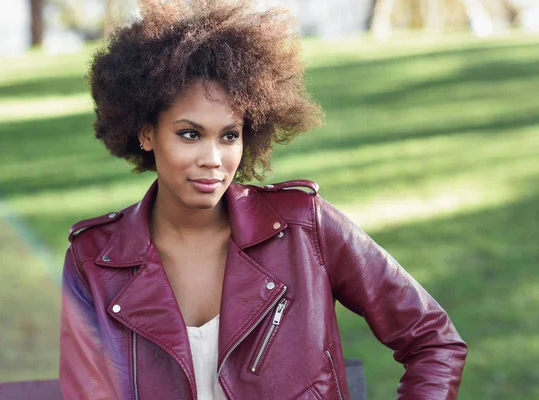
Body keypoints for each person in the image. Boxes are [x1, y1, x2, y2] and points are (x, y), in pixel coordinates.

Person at [59, 1, 467, 399]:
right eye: (189, 134)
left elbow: (433, 341)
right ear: (146, 133)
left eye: (229, 135)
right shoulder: (94, 259)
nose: (213, 160)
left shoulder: (304, 227)